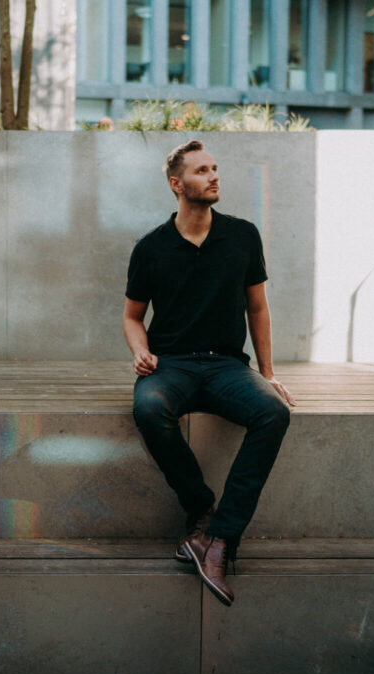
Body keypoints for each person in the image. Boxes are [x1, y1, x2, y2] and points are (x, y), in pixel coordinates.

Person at [123, 141, 295, 607]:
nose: (215, 176)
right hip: (171, 364)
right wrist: (140, 351)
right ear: (177, 185)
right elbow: (132, 316)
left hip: (225, 365)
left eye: (216, 168)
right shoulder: (151, 248)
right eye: (202, 170)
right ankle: (201, 507)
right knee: (148, 407)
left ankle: (219, 539)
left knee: (272, 413)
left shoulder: (242, 236)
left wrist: (268, 372)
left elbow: (257, 307)